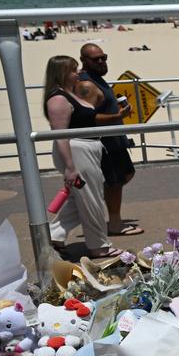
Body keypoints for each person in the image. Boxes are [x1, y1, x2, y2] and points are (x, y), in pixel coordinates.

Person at [43, 56, 118, 258]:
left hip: (87, 149)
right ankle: (98, 246)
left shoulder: (69, 94)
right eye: (73, 70)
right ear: (61, 73)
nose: (77, 73)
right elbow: (60, 135)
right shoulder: (58, 98)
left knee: (81, 200)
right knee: (91, 199)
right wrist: (70, 167)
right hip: (77, 151)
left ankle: (53, 234)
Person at [75, 44, 141, 236]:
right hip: (106, 142)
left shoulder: (97, 80)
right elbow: (86, 117)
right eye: (96, 59)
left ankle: (104, 215)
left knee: (125, 175)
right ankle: (114, 223)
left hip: (114, 139)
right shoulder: (86, 85)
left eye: (104, 57)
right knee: (115, 181)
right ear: (84, 61)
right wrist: (117, 116)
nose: (102, 61)